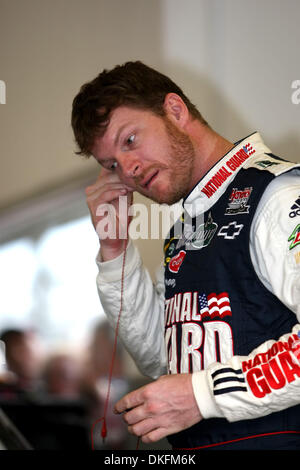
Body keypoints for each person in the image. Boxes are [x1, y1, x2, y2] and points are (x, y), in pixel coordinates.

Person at [71, 61, 300, 450]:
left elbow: (192, 388)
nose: (128, 170)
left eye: (130, 140)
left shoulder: (280, 196)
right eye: (111, 165)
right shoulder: (188, 228)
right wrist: (115, 251)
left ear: (175, 111)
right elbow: (162, 360)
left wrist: (201, 395)